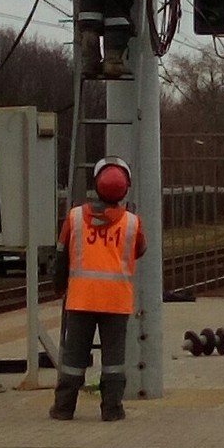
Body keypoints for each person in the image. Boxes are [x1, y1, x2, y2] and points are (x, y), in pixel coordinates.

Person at [50, 156, 146, 423]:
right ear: (125, 188)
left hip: (80, 299)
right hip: (116, 302)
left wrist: (58, 287)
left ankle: (63, 408)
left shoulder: (75, 217)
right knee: (114, 360)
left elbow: (60, 257)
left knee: (73, 357)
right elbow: (140, 250)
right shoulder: (132, 222)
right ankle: (112, 410)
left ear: (96, 184)